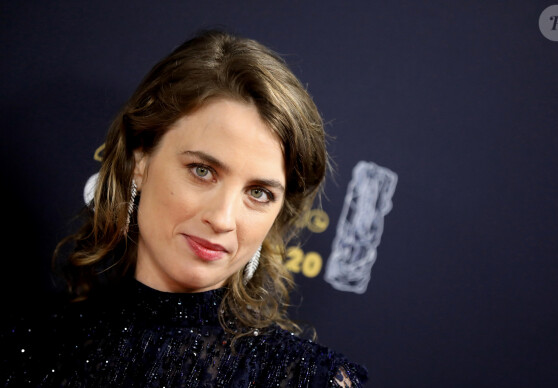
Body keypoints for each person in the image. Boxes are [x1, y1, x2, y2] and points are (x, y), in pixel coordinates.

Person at [1, 30, 368, 387]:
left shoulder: (308, 379)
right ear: (139, 161)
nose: (223, 219)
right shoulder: (31, 347)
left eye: (258, 193)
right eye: (202, 171)